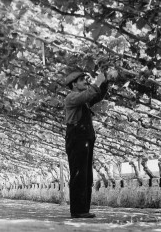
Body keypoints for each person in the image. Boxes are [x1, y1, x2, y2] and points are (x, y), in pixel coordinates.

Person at [64, 70, 108, 218]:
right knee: (78, 174)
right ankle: (77, 211)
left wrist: (105, 81)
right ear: (74, 84)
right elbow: (88, 95)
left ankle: (83, 209)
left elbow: (97, 95)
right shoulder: (72, 97)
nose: (85, 81)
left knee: (86, 175)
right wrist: (97, 82)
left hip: (86, 139)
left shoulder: (83, 100)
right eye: (82, 80)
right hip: (77, 139)